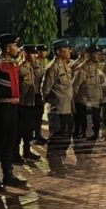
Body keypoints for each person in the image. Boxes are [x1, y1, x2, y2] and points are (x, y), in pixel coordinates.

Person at [0, 34, 30, 192]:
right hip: (0, 109)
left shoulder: (13, 64)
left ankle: (8, 175)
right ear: (8, 47)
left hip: (13, 107)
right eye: (15, 45)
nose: (17, 48)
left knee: (10, 142)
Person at [41, 39, 75, 173]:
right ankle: (54, 166)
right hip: (57, 110)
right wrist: (53, 101)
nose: (70, 51)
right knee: (56, 137)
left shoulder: (65, 66)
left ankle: (61, 161)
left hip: (67, 108)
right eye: (67, 49)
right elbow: (45, 90)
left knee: (65, 137)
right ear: (59, 52)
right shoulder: (52, 67)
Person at [17, 45, 43, 162]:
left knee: (28, 130)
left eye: (35, 53)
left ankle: (26, 151)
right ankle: (15, 153)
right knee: (19, 130)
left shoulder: (30, 66)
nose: (35, 55)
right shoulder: (21, 67)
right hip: (22, 103)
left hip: (30, 102)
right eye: (32, 53)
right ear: (25, 54)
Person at [73, 47, 105, 140]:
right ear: (90, 55)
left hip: (95, 97)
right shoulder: (82, 68)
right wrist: (73, 97)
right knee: (82, 116)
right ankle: (83, 133)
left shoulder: (97, 66)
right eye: (96, 54)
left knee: (96, 117)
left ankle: (94, 134)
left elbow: (103, 80)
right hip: (84, 97)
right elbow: (76, 84)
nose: (98, 56)